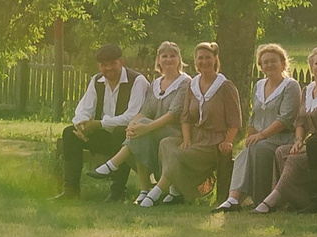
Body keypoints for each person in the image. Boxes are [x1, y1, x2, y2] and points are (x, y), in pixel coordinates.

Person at [144, 41, 240, 206]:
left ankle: (156, 192)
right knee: (166, 143)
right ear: (195, 61)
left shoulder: (225, 86)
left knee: (178, 155)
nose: (204, 62)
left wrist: (228, 141)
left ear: (215, 59)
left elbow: (235, 120)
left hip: (213, 141)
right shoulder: (192, 84)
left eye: (208, 58)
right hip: (195, 136)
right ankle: (174, 192)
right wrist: (187, 139)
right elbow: (186, 117)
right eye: (200, 58)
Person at [262, 45, 317, 213]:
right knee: (281, 152)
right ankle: (293, 201)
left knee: (293, 159)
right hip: (309, 141)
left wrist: (311, 145)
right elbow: (300, 121)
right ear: (311, 67)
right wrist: (299, 140)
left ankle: (271, 199)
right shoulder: (307, 90)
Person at [220, 43, 302, 210]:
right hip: (262, 139)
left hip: (283, 139)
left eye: (273, 61)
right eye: (265, 62)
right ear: (261, 66)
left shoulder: (291, 86)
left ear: (283, 63)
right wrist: (251, 136)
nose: (269, 65)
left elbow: (285, 119)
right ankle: (233, 199)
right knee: (245, 151)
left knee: (259, 147)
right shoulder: (259, 86)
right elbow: (254, 116)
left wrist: (261, 135)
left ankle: (261, 199)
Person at [103, 42, 190, 200]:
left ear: (179, 59)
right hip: (153, 131)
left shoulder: (185, 82)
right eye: (164, 56)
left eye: (173, 56)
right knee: (138, 130)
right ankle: (143, 191)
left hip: (177, 132)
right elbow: (145, 111)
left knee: (141, 130)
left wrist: (145, 127)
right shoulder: (156, 83)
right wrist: (132, 125)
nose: (168, 59)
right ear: (158, 60)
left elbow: (173, 114)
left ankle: (114, 164)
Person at [55, 43, 140, 200]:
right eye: (104, 65)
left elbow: (132, 116)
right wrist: (82, 126)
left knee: (121, 132)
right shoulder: (97, 81)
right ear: (99, 66)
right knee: (69, 133)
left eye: (113, 64)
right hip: (101, 136)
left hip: (127, 140)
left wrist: (100, 123)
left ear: (121, 61)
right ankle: (71, 190)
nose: (108, 69)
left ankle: (117, 191)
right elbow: (83, 110)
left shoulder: (137, 81)